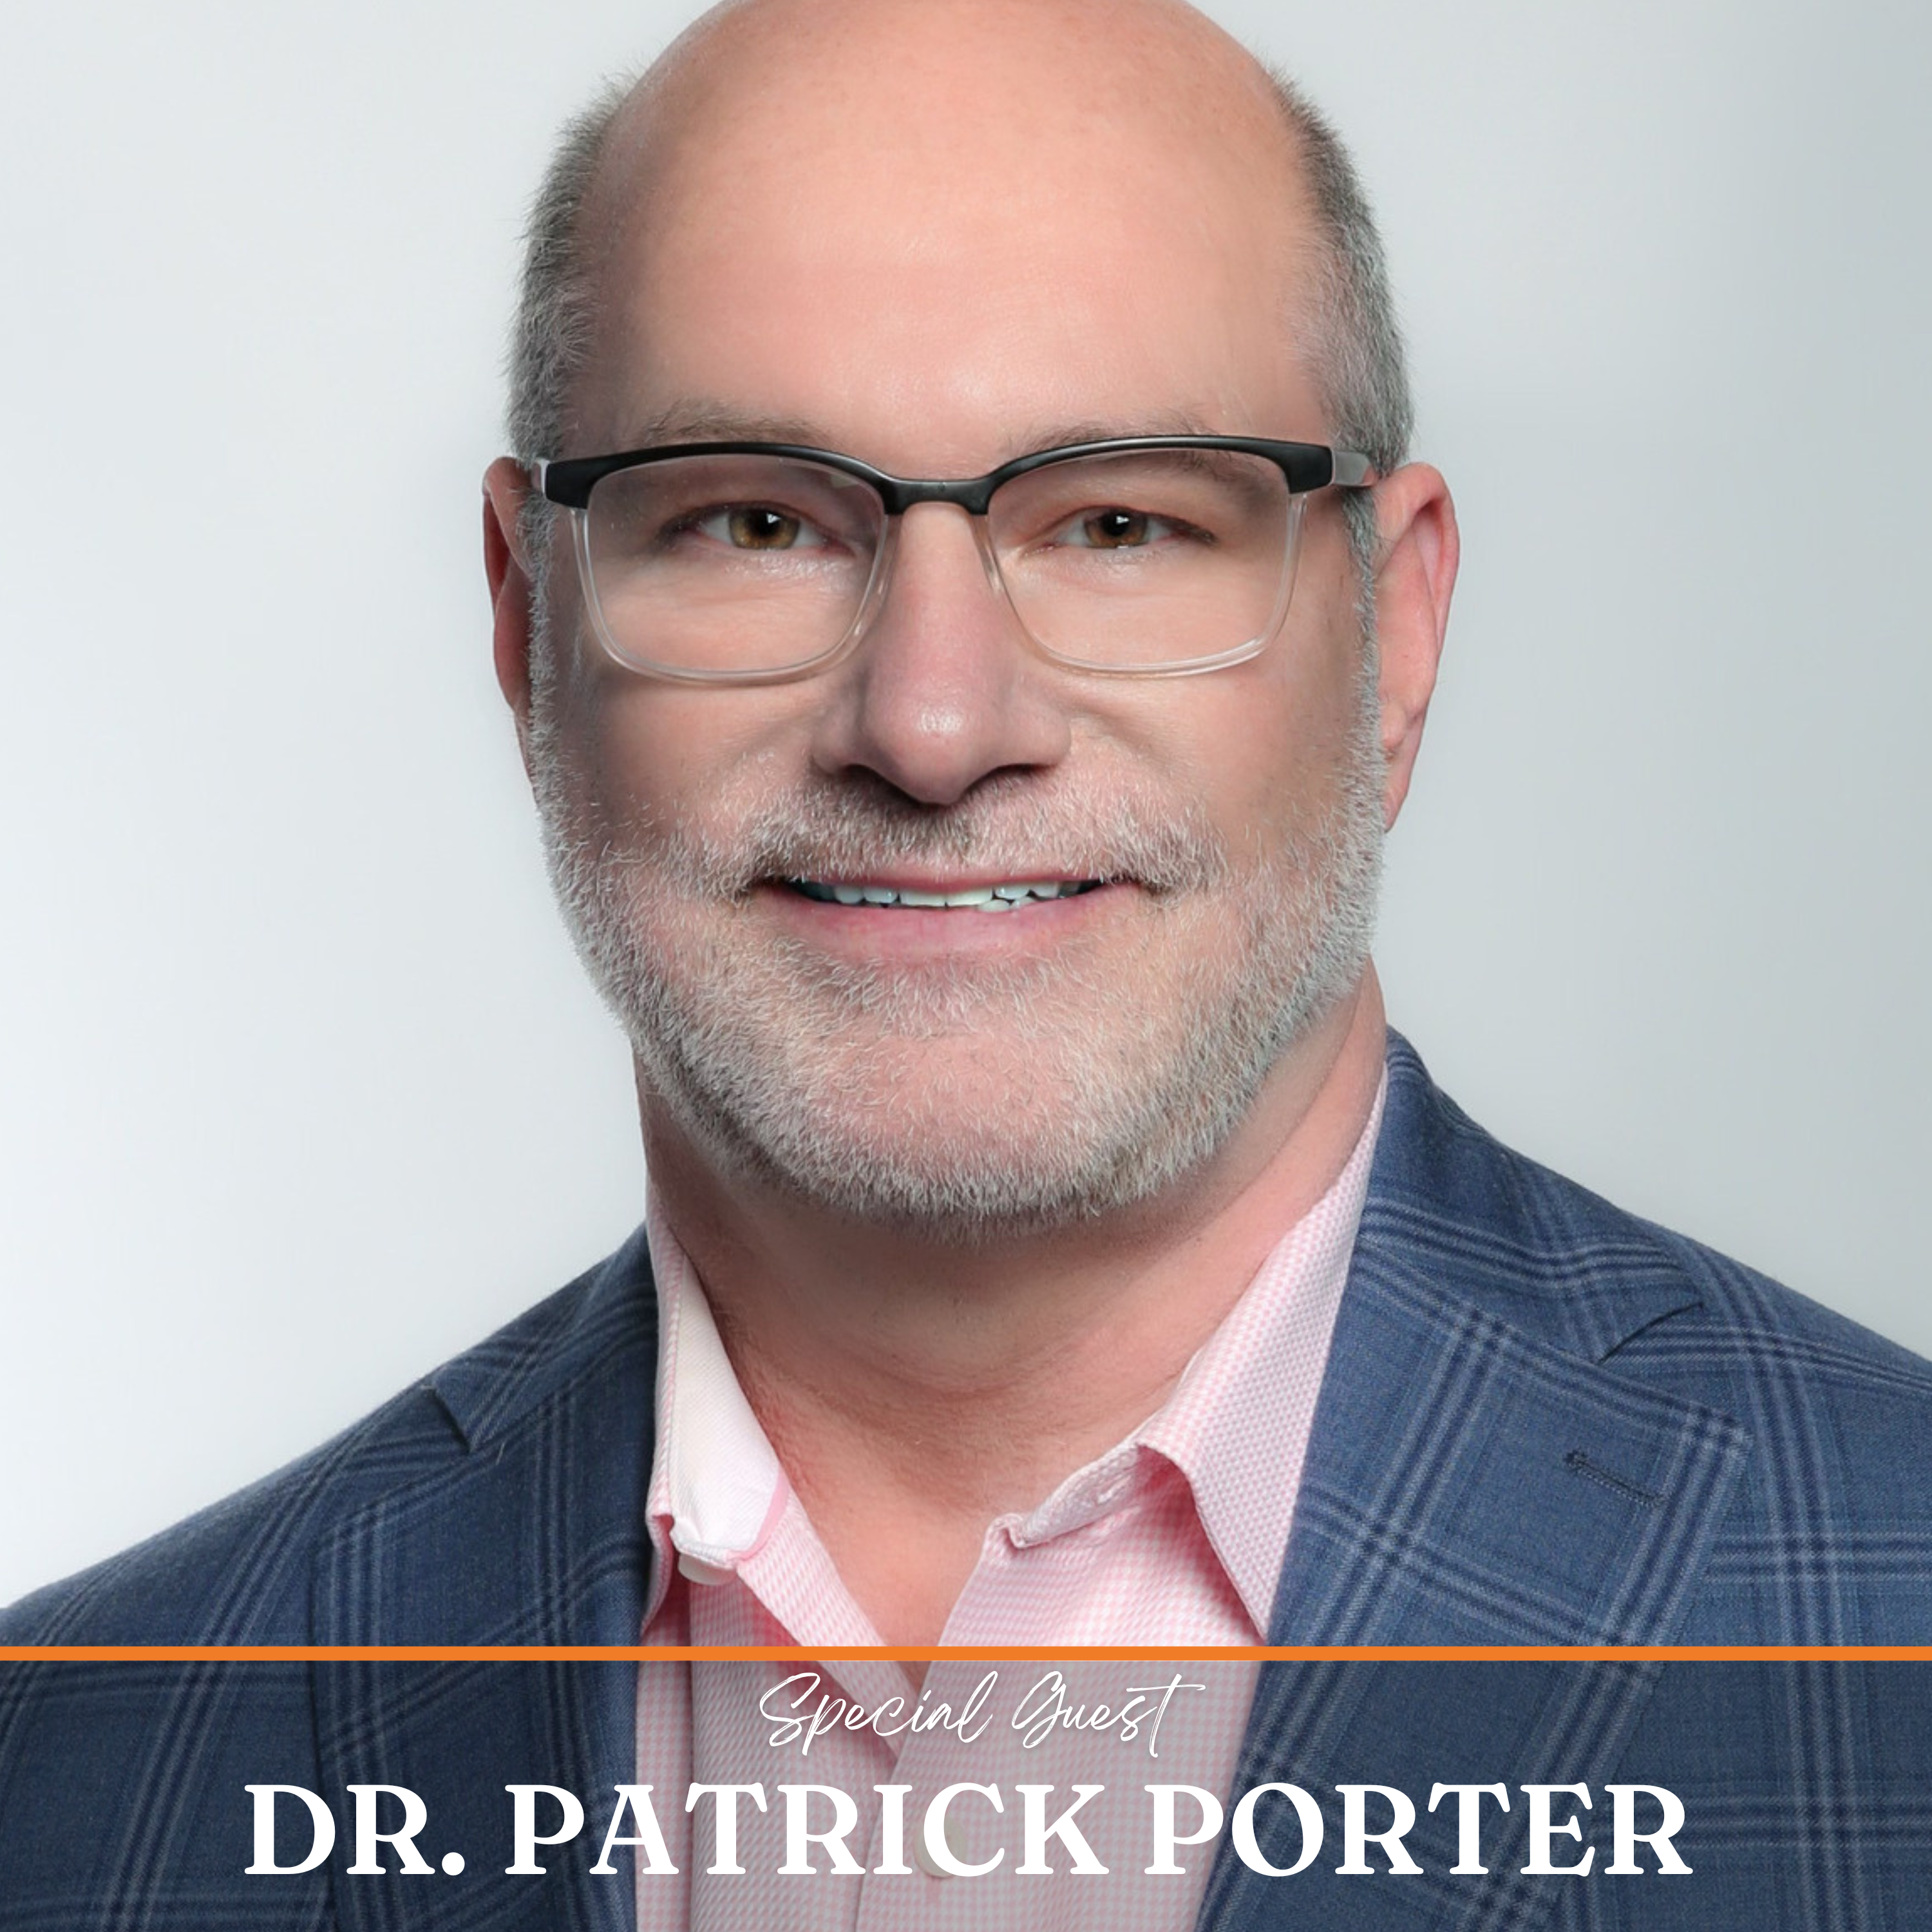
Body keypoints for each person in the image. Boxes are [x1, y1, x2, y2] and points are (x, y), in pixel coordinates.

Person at [3, 0, 1929, 1924]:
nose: (933, 726)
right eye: (756, 521)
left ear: (1396, 633)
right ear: (528, 627)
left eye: (1123, 524)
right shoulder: (74, 1772)